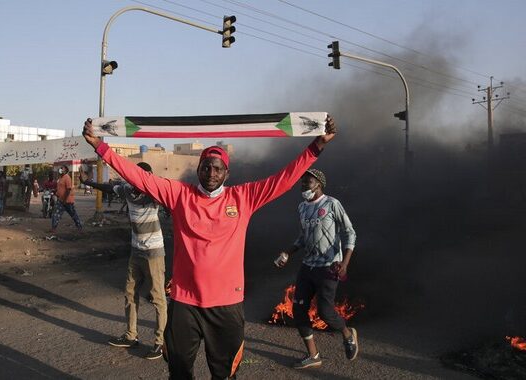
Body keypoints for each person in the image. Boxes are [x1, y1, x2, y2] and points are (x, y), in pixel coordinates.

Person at [83, 116, 336, 379]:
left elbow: (283, 178)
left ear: (227, 173)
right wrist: (100, 147)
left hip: (226, 306)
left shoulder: (243, 197)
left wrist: (317, 146)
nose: (211, 174)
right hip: (184, 304)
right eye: (206, 167)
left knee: (224, 374)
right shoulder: (180, 194)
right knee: (179, 371)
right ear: (198, 169)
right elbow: (138, 177)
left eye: (217, 169)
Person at [80, 163, 167, 360]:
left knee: (158, 298)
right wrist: (88, 182)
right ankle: (131, 335)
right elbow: (109, 187)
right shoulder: (128, 190)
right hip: (136, 251)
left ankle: (161, 342)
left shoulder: (154, 195)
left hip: (154, 252)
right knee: (130, 294)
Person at [274, 168, 358, 369]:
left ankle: (348, 334)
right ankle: (313, 355)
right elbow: (303, 237)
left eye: (307, 183)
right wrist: (288, 252)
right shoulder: (302, 207)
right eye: (302, 183)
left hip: (329, 267)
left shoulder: (332, 204)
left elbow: (350, 233)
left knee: (325, 312)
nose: (303, 186)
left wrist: (345, 263)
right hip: (308, 266)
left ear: (318, 184)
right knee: (299, 310)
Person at [50, 165, 83, 233]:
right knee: (55, 213)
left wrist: (64, 200)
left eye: (62, 169)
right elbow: (60, 188)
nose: (60, 169)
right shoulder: (60, 178)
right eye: (60, 168)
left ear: (65, 170)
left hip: (67, 201)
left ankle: (79, 227)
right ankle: (53, 228)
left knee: (73, 214)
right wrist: (56, 191)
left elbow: (68, 189)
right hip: (61, 200)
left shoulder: (67, 177)